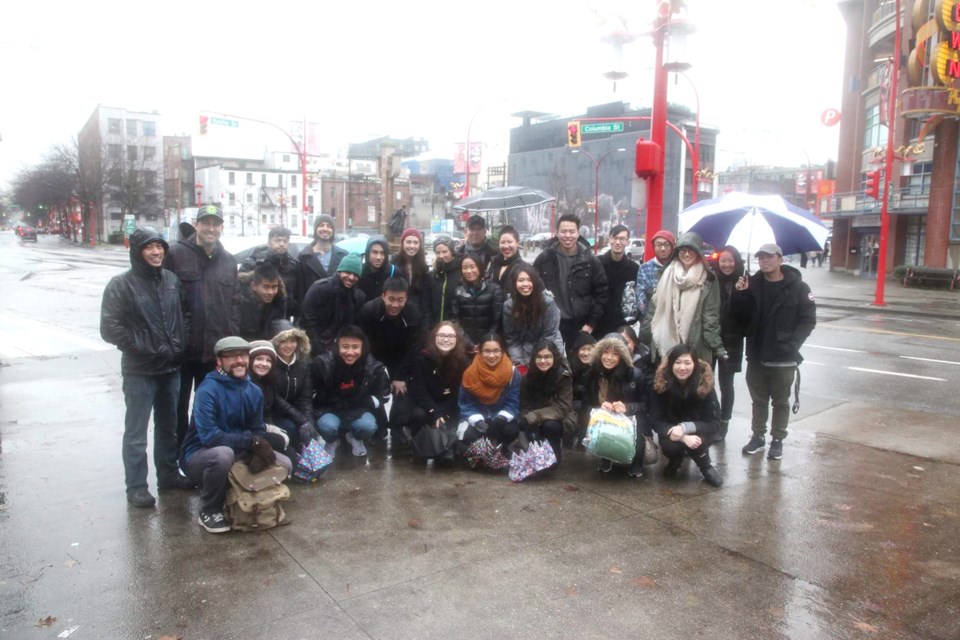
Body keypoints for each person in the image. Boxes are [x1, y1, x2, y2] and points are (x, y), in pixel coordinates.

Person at [100, 227, 192, 508]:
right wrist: (146, 346)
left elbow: (184, 314)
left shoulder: (171, 281)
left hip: (171, 369)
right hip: (140, 370)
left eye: (160, 247)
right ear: (137, 251)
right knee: (136, 432)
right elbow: (110, 328)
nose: (156, 252)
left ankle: (168, 474)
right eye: (149, 247)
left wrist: (179, 342)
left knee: (169, 428)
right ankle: (137, 486)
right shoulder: (121, 285)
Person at [180, 337, 293, 534]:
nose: (239, 360)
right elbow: (209, 437)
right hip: (201, 455)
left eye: (242, 355)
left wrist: (256, 448)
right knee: (223, 456)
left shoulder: (254, 390)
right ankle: (209, 510)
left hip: (237, 451)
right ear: (219, 361)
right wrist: (250, 442)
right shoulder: (207, 390)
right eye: (231, 356)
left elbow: (257, 428)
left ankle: (246, 498)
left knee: (285, 463)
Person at [163, 204, 238, 446]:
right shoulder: (175, 255)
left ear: (222, 228)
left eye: (216, 224)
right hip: (183, 351)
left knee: (209, 408)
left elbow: (234, 303)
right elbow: (163, 300)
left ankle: (201, 453)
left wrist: (230, 342)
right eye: (206, 223)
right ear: (196, 225)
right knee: (177, 409)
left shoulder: (228, 261)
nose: (211, 228)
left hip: (215, 353)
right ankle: (177, 458)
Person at [736, 244, 816, 461]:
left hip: (783, 358)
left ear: (780, 259)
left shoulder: (798, 287)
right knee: (758, 400)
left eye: (769, 257)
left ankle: (777, 439)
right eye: (761, 258)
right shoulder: (752, 285)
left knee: (780, 401)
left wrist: (792, 345)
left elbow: (808, 320)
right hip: (756, 354)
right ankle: (758, 436)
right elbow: (741, 318)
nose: (765, 261)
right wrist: (741, 295)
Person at [640, 231, 726, 365]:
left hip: (695, 341)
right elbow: (654, 308)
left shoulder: (708, 278)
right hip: (666, 338)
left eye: (691, 250)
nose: (686, 254)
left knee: (694, 382)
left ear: (698, 252)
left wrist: (717, 346)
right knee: (666, 381)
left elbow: (711, 316)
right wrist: (645, 334)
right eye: (683, 250)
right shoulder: (666, 274)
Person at [357, 277, 424, 442]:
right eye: (391, 299)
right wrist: (375, 369)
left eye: (400, 300)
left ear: (406, 298)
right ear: (383, 296)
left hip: (401, 355)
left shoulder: (413, 313)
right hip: (374, 354)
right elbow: (362, 342)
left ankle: (397, 425)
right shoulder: (368, 311)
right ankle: (379, 426)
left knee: (403, 388)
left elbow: (414, 347)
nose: (395, 305)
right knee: (373, 386)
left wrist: (400, 376)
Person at [310, 325, 391, 457]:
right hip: (329, 408)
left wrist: (363, 401)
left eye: (355, 347)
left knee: (368, 427)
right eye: (345, 346)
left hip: (359, 409)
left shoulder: (375, 367)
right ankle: (332, 441)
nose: (350, 352)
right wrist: (328, 400)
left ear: (362, 347)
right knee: (327, 426)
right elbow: (310, 392)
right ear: (337, 346)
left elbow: (385, 395)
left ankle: (354, 437)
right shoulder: (321, 364)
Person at [649, 343, 723, 487]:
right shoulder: (660, 384)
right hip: (671, 431)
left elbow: (714, 423)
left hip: (698, 429)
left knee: (697, 441)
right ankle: (675, 460)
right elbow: (656, 421)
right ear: (670, 364)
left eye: (687, 363)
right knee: (671, 446)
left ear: (694, 364)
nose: (682, 368)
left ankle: (705, 466)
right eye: (677, 363)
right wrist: (682, 437)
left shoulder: (704, 384)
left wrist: (685, 428)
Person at [533, 213, 609, 349]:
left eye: (572, 231)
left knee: (578, 364)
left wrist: (591, 323)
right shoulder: (545, 258)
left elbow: (601, 293)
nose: (567, 235)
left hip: (580, 323)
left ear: (578, 233)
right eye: (563, 231)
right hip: (552, 322)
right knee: (551, 362)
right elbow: (533, 286)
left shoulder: (590, 260)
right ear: (557, 233)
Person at [585, 334, 646, 477]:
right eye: (605, 352)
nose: (609, 357)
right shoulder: (593, 374)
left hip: (630, 418)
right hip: (604, 417)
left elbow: (645, 405)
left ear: (622, 356)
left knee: (640, 426)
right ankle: (606, 456)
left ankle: (637, 460)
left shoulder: (636, 375)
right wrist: (599, 409)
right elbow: (586, 404)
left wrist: (627, 407)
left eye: (615, 354)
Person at [409, 321, 469, 461]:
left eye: (450, 336)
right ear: (434, 337)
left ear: (457, 339)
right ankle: (418, 447)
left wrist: (444, 413)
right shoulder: (422, 358)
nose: (446, 339)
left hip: (449, 404)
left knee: (447, 460)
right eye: (441, 335)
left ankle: (444, 447)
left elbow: (459, 392)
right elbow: (419, 389)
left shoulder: (463, 361)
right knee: (418, 415)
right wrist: (433, 411)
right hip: (426, 403)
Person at [458, 333, 523, 454]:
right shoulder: (469, 373)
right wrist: (477, 421)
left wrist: (502, 417)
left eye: (496, 351)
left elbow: (514, 402)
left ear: (502, 351)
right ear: (480, 352)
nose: (491, 355)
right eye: (487, 351)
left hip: (501, 420)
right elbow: (465, 403)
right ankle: (482, 453)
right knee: (470, 436)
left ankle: (501, 450)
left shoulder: (513, 373)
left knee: (510, 431)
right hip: (479, 418)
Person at [713, 246, 750, 442]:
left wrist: (741, 294)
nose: (727, 265)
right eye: (723, 261)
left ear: (736, 261)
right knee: (705, 381)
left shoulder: (744, 281)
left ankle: (724, 422)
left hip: (732, 340)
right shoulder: (713, 280)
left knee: (726, 385)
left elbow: (746, 317)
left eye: (730, 260)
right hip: (711, 338)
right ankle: (711, 417)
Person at [519, 340, 575, 464]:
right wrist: (525, 418)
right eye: (539, 357)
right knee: (526, 428)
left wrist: (533, 416)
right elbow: (525, 403)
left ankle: (555, 455)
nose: (543, 361)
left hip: (559, 417)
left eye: (547, 357)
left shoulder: (563, 376)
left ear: (554, 357)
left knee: (549, 425)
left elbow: (563, 407)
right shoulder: (528, 377)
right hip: (533, 415)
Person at [299, 253, 365, 356]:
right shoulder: (319, 289)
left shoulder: (357, 296)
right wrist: (320, 352)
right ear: (339, 271)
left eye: (356, 275)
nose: (351, 277)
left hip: (341, 349)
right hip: (315, 347)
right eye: (348, 272)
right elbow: (308, 323)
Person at [502, 265, 564, 367]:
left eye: (529, 280)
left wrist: (538, 361)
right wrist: (520, 363)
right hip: (523, 350)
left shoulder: (548, 302)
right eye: (521, 280)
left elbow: (550, 335)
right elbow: (511, 338)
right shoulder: (509, 305)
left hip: (548, 349)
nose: (525, 284)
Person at [246, 340, 297, 461]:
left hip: (262, 425)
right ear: (250, 360)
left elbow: (269, 411)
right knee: (286, 451)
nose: (264, 364)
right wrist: (268, 429)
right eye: (259, 359)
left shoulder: (267, 382)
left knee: (289, 429)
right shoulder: (246, 384)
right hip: (249, 432)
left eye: (268, 360)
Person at [269, 325, 316, 452]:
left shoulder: (303, 363)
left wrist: (308, 422)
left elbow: (305, 397)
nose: (288, 345)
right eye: (283, 341)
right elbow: (274, 398)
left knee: (310, 430)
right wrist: (301, 420)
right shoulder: (269, 363)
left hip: (295, 411)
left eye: (292, 341)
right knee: (290, 427)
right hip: (273, 412)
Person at [239, 227, 301, 320]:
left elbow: (297, 292)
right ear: (269, 242)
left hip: (283, 316)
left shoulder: (294, 265)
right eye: (277, 240)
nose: (281, 244)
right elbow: (241, 290)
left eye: (285, 241)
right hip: (256, 317)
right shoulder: (254, 262)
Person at [450, 255, 504, 352]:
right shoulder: (458, 290)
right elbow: (455, 320)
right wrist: (468, 343)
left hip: (488, 345)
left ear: (480, 267)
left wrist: (485, 342)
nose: (468, 271)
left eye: (472, 266)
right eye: (465, 268)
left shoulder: (494, 289)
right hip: (465, 345)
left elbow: (497, 320)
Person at [596, 224, 640, 336]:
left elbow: (636, 296)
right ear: (609, 239)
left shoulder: (634, 268)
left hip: (622, 323)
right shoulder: (597, 263)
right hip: (598, 320)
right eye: (615, 238)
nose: (618, 242)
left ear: (627, 242)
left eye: (622, 239)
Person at [231, 263, 287, 342]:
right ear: (254, 286)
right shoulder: (239, 299)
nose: (270, 292)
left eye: (274, 287)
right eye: (266, 287)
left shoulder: (279, 301)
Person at [299, 214, 347, 296]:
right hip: (312, 305)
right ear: (315, 229)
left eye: (329, 226)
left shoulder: (343, 255)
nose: (325, 229)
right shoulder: (303, 257)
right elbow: (300, 289)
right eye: (321, 225)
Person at [392, 228, 434, 318]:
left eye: (415, 242)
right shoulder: (393, 266)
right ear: (402, 243)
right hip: (396, 315)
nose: (412, 246)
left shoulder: (423, 269)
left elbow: (426, 300)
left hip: (417, 317)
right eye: (408, 242)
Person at [635, 229, 675, 323]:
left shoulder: (677, 267)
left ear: (672, 247)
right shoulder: (644, 268)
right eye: (659, 245)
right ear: (654, 246)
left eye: (666, 244)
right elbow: (640, 296)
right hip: (650, 320)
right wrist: (651, 315)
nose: (663, 248)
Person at [568, 332, 598, 449]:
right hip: (572, 401)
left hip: (591, 403)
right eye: (582, 349)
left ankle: (582, 440)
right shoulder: (570, 365)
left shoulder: (598, 366)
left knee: (588, 411)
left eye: (589, 349)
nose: (585, 353)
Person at [430, 236, 461, 323]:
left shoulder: (461, 273)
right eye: (438, 252)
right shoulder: (432, 275)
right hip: (434, 324)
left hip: (454, 326)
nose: (441, 255)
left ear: (451, 252)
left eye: (444, 251)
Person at [357, 235, 396, 301]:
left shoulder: (394, 272)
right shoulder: (359, 271)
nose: (378, 257)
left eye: (382, 253)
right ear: (368, 253)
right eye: (375, 252)